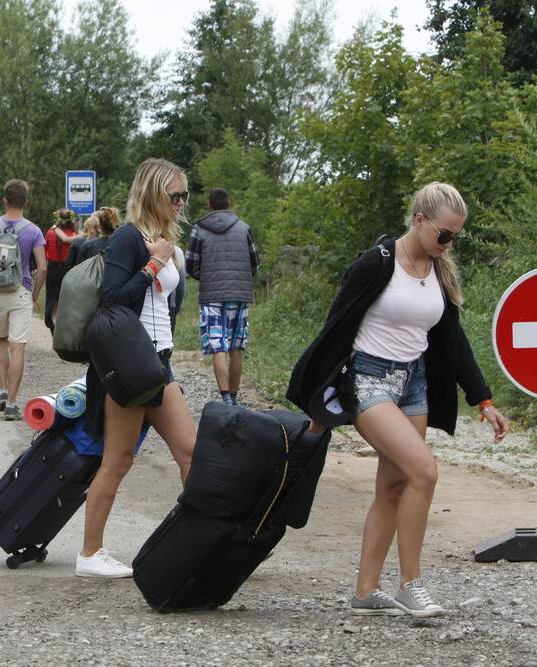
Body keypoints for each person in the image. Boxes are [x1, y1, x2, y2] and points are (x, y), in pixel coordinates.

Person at [288, 181, 509, 618]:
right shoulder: (378, 264)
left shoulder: (439, 272)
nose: (448, 244)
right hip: (370, 382)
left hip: (414, 386)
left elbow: (453, 341)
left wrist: (483, 401)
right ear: (419, 220)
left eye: (455, 237)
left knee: (393, 485)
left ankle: (366, 592)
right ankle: (411, 584)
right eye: (443, 234)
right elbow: (335, 330)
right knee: (424, 471)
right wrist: (318, 405)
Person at [77, 158, 198, 579]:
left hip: (159, 362)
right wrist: (152, 265)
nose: (182, 203)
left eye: (185, 195)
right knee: (119, 459)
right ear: (152, 195)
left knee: (191, 453)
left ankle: (205, 540)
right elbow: (113, 299)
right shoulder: (130, 238)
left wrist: (166, 258)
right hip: (130, 363)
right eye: (174, 195)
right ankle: (90, 553)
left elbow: (166, 306)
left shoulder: (165, 241)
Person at [0, 179, 47, 421]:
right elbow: (43, 268)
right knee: (18, 346)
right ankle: (13, 403)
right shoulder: (33, 231)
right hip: (20, 291)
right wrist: (34, 294)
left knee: (0, 341)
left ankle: (3, 389)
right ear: (26, 201)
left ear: (4, 200)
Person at [186, 188, 258, 407]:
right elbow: (254, 263)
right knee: (237, 346)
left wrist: (206, 277)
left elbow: (191, 264)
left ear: (209, 204)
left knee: (218, 345)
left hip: (212, 295)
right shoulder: (244, 228)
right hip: (240, 292)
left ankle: (225, 398)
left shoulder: (199, 229)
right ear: (230, 203)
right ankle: (234, 399)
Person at [43, 208, 77, 333]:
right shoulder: (74, 235)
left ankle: (54, 328)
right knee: (67, 301)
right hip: (69, 271)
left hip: (53, 269)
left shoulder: (50, 233)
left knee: (53, 300)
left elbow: (45, 250)